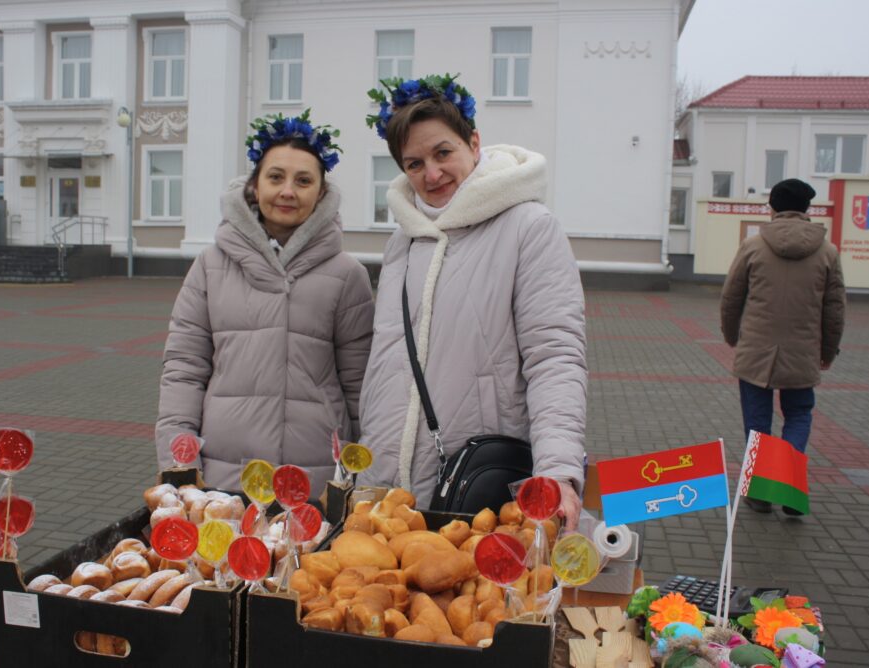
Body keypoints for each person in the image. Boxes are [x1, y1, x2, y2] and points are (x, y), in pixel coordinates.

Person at [357, 75, 587, 527]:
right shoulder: (400, 241)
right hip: (392, 493)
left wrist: (558, 472)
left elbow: (555, 356)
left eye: (443, 152)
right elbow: (386, 361)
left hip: (477, 486)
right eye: (414, 163)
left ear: (474, 143)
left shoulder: (528, 228)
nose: (433, 173)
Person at [156, 111, 375, 496]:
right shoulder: (210, 267)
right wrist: (179, 463)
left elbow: (360, 388)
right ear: (254, 187)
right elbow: (184, 370)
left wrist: (362, 473)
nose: (288, 191)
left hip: (315, 479)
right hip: (223, 476)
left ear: (321, 194)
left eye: (303, 180)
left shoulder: (347, 275)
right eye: (276, 177)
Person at [720, 178, 846, 515]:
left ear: (773, 207)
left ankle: (760, 493)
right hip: (803, 352)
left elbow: (731, 298)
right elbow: (835, 309)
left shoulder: (753, 246)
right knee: (799, 414)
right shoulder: (828, 252)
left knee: (758, 423)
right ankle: (790, 491)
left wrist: (732, 336)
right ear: (807, 209)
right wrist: (828, 351)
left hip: (756, 351)